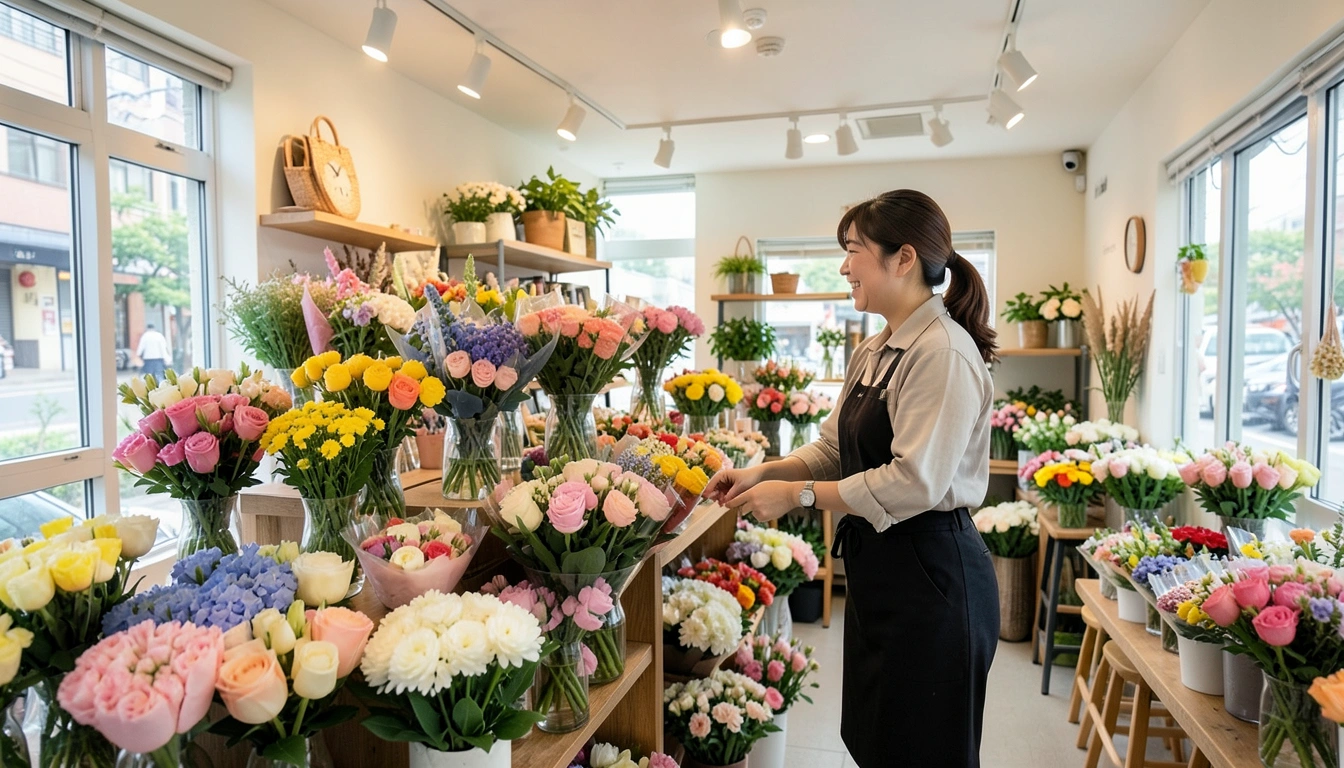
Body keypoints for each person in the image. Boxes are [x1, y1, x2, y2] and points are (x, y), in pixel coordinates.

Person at [706, 189, 999, 768]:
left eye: (853, 250)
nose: (843, 266)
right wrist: (764, 472)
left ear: (904, 258)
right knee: (879, 741)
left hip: (934, 582)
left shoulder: (941, 353)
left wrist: (796, 496)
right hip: (884, 574)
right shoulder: (876, 349)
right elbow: (838, 448)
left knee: (924, 751)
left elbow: (913, 482)